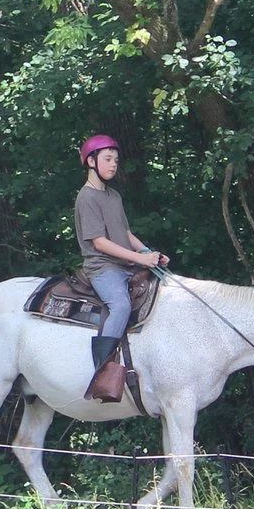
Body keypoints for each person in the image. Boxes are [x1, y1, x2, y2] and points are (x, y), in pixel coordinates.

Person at [73, 135, 167, 396]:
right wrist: (139, 259)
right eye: (107, 159)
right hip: (102, 268)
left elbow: (124, 233)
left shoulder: (113, 195)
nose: (114, 165)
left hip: (125, 264)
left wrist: (149, 253)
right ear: (91, 162)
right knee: (121, 304)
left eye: (116, 160)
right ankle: (101, 374)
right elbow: (100, 243)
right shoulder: (87, 198)